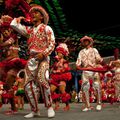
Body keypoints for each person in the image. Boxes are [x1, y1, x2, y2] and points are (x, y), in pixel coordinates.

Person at [10, 5, 55, 118]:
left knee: (43, 80)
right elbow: (13, 25)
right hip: (32, 59)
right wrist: (19, 19)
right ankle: (35, 110)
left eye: (36, 12)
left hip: (43, 58)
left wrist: (43, 53)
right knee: (27, 85)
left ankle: (49, 107)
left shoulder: (46, 28)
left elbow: (52, 43)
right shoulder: (29, 31)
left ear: (42, 16)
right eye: (33, 13)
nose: (33, 14)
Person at [0, 15, 27, 115]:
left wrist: (19, 19)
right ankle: (13, 107)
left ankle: (14, 107)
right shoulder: (2, 39)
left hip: (14, 63)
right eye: (3, 30)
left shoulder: (14, 36)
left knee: (9, 81)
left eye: (7, 29)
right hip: (4, 64)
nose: (6, 32)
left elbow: (7, 42)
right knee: (6, 87)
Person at [76, 36, 103, 111]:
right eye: (84, 41)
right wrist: (77, 65)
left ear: (89, 42)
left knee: (97, 86)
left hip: (94, 70)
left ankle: (99, 103)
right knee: (85, 88)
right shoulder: (81, 52)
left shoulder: (94, 50)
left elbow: (99, 59)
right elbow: (79, 61)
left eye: (87, 41)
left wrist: (99, 60)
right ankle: (87, 106)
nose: (85, 42)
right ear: (83, 43)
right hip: (85, 71)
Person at [50, 43, 72, 111]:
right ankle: (57, 102)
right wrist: (53, 69)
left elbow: (65, 69)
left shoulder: (65, 61)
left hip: (62, 77)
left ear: (63, 54)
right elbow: (53, 69)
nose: (59, 54)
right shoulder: (56, 62)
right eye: (58, 53)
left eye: (60, 53)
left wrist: (56, 71)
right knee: (51, 90)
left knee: (62, 91)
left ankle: (67, 105)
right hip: (55, 77)